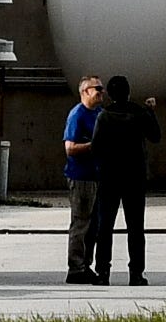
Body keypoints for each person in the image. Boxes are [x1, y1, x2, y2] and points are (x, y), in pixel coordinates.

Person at [87, 75, 160, 288]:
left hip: (110, 177)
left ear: (110, 94)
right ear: (128, 92)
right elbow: (156, 136)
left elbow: (96, 147)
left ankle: (103, 273)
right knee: (136, 228)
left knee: (105, 227)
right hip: (135, 177)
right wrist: (151, 113)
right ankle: (136, 273)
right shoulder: (139, 113)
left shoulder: (104, 116)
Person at [61, 76, 104, 285]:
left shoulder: (99, 114)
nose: (102, 93)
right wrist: (92, 146)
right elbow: (69, 148)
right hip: (81, 177)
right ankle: (76, 268)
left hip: (95, 176)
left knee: (93, 225)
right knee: (81, 223)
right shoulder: (77, 115)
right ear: (85, 91)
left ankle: (86, 264)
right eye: (98, 89)